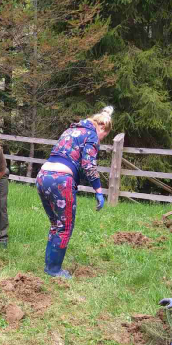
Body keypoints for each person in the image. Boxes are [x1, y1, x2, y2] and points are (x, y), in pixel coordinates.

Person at [35, 106, 113, 279]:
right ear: (102, 128)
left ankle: (50, 266)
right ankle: (54, 270)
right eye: (104, 136)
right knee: (65, 227)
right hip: (61, 180)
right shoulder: (92, 134)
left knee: (56, 224)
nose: (101, 140)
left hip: (42, 176)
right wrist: (98, 190)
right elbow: (88, 164)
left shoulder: (71, 130)